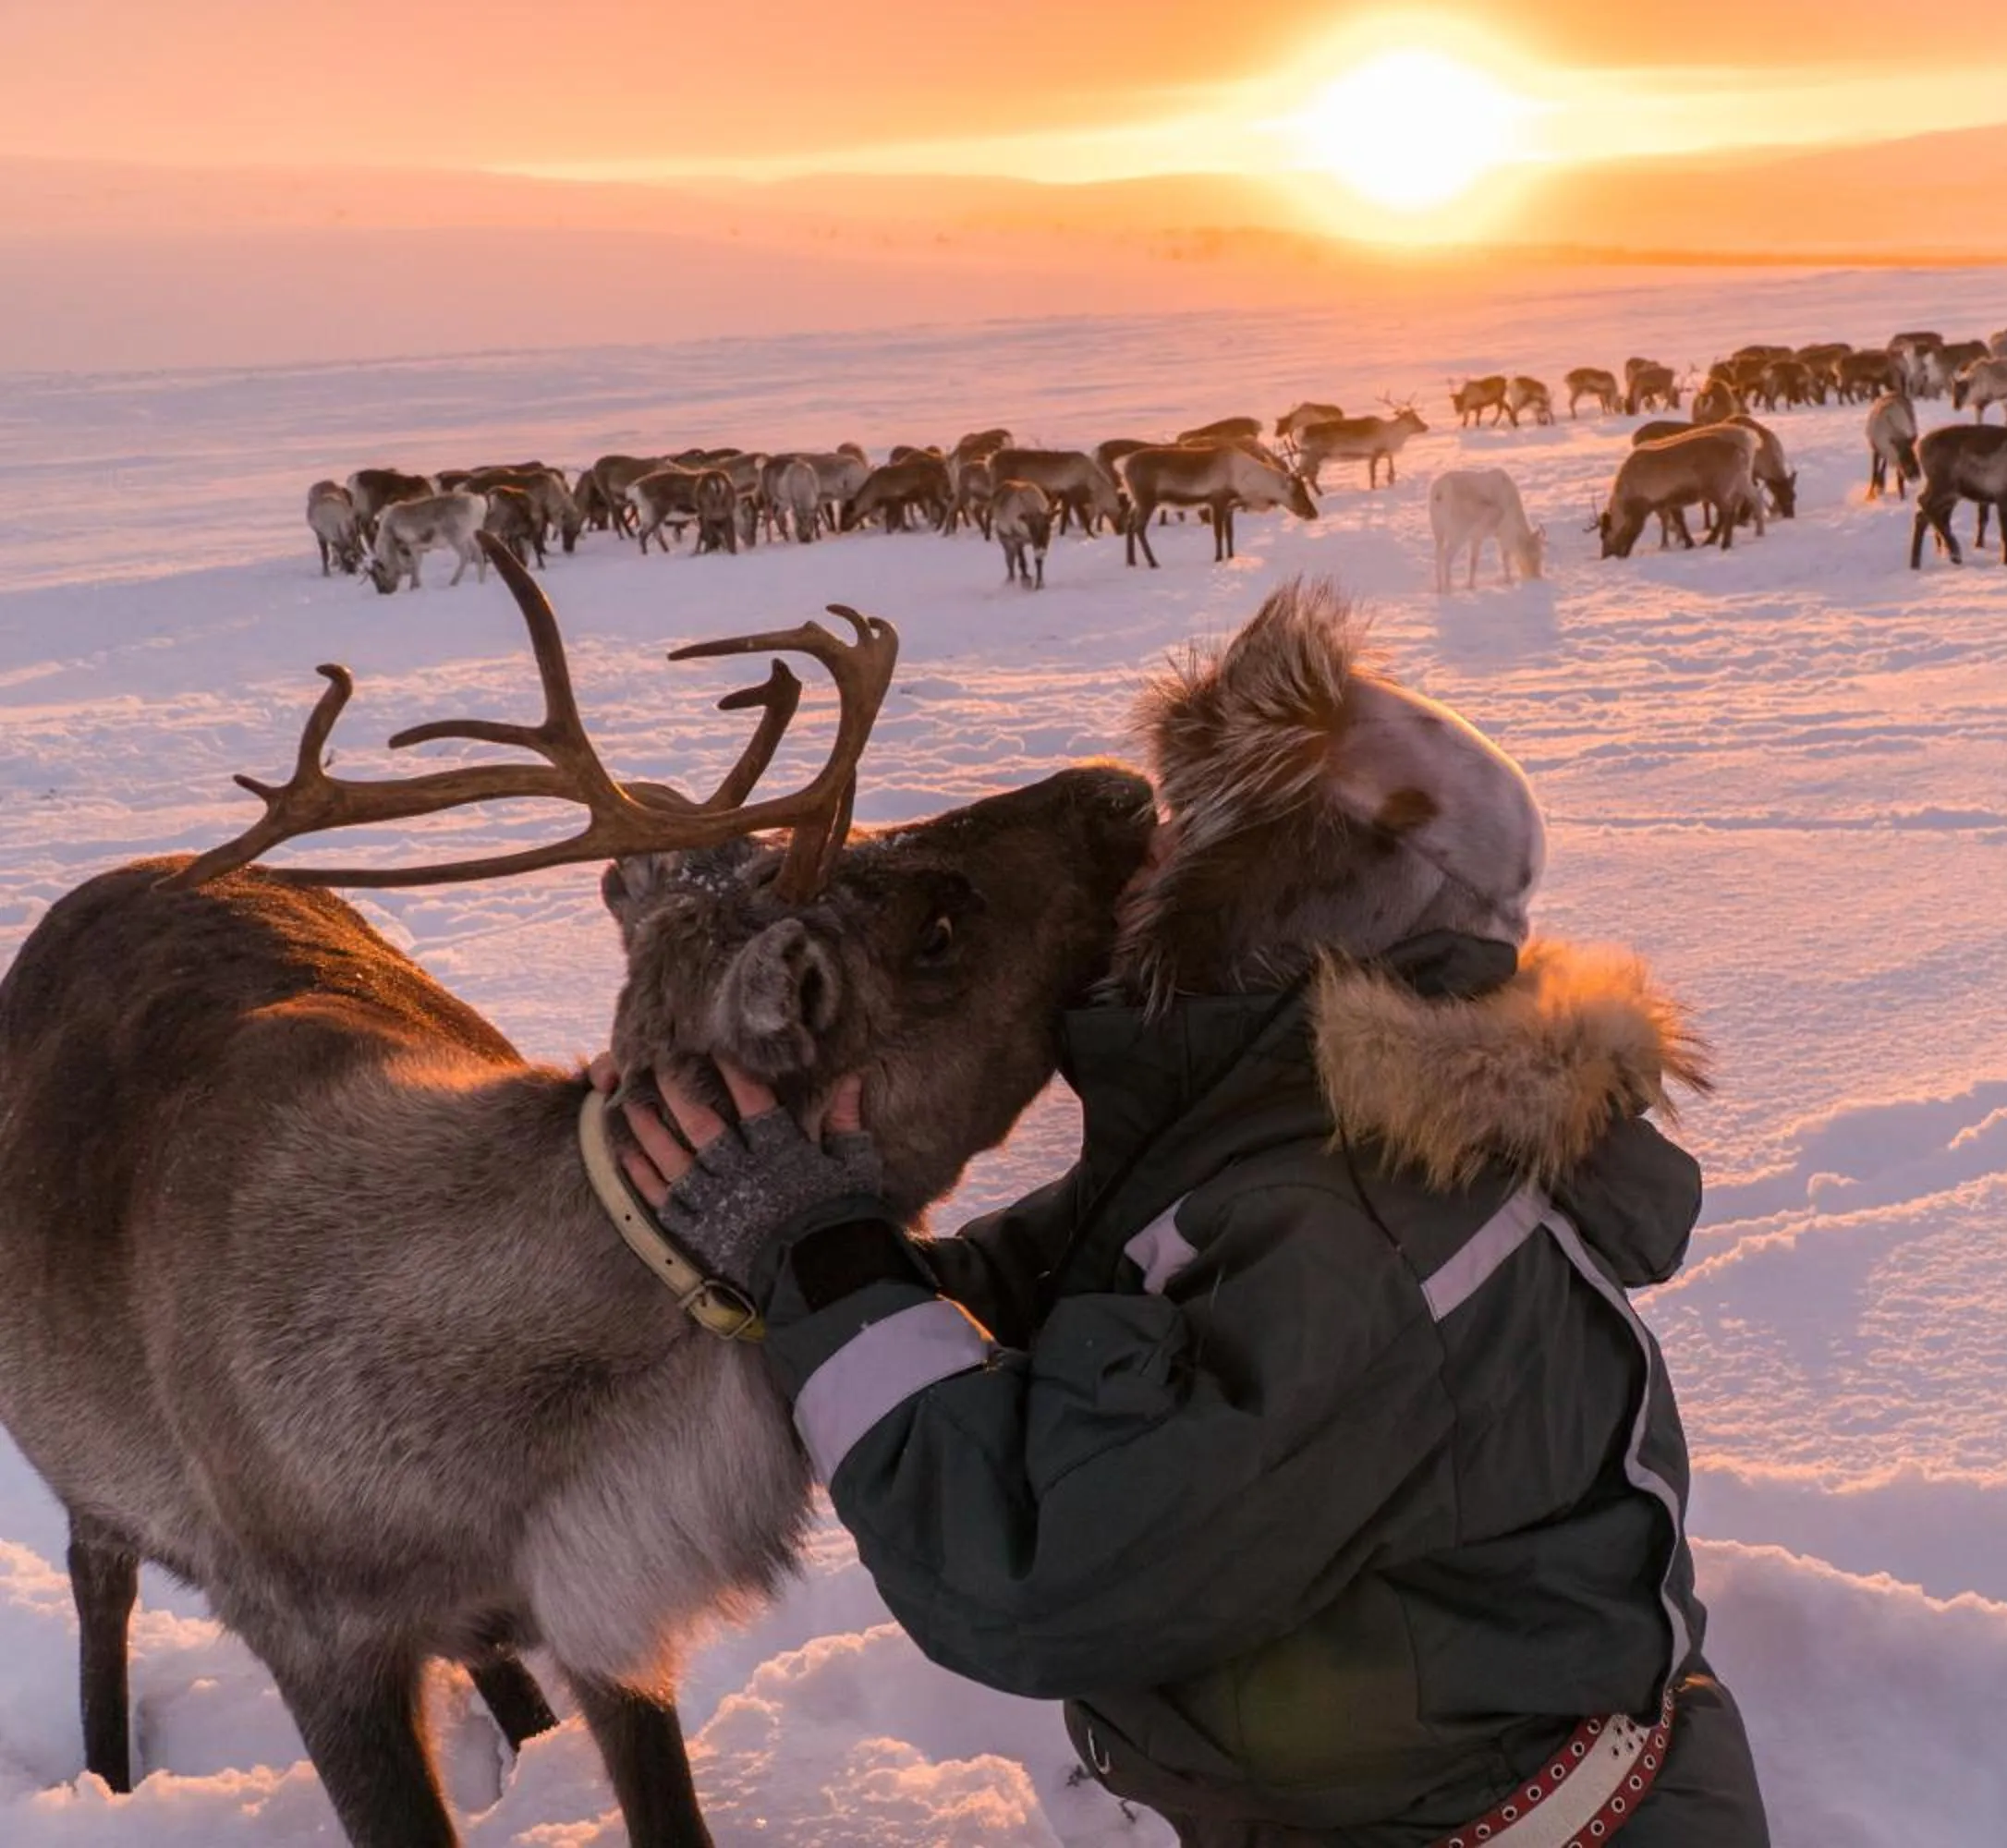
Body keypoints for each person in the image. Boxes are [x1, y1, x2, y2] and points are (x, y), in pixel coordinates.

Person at [616, 581, 1772, 1845]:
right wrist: (806, 1270)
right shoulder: (1278, 1127)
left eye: (1185, 837)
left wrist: (819, 1260)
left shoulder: (1358, 1236)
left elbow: (1034, 1572)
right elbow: (1048, 1293)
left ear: (1274, 901)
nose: (1137, 857)